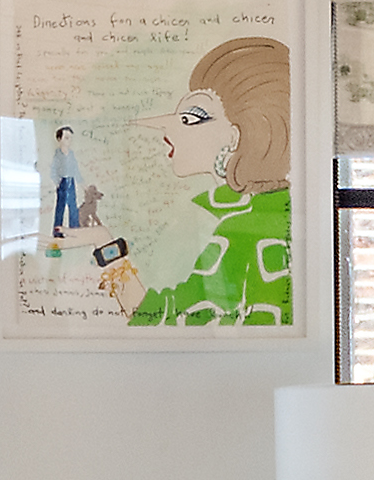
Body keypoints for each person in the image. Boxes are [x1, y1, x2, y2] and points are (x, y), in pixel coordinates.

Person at [121, 35, 299, 329]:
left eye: (189, 119)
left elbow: (166, 319)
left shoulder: (245, 229)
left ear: (234, 136)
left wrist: (110, 258)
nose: (168, 131)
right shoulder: (271, 210)